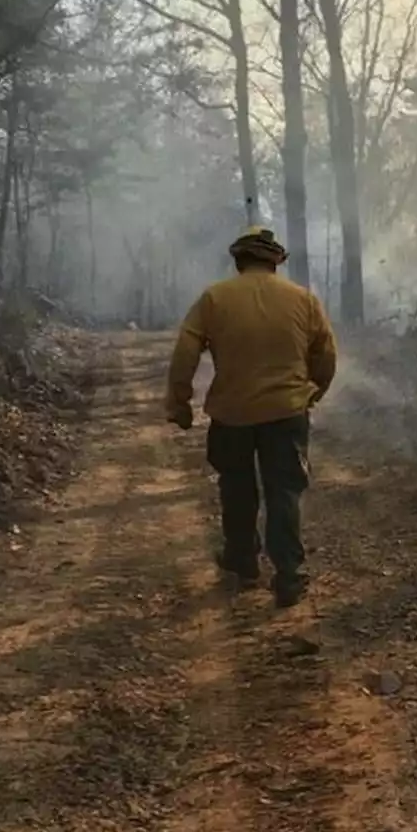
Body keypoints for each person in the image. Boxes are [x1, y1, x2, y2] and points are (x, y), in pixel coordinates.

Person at [165, 226, 337, 608]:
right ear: (275, 261)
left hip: (232, 414)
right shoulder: (303, 300)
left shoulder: (214, 299)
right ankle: (289, 575)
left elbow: (184, 353)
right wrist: (314, 390)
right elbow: (325, 354)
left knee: (236, 487)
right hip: (286, 412)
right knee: (284, 491)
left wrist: (179, 402)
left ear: (239, 260)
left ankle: (243, 560)